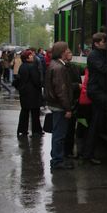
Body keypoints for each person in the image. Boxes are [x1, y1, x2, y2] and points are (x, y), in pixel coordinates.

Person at [45, 42, 75, 170]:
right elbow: (61, 91)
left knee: (58, 133)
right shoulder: (59, 68)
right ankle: (57, 160)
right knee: (59, 135)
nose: (69, 51)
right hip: (60, 106)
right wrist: (68, 108)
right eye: (67, 49)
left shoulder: (54, 65)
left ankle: (57, 157)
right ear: (62, 52)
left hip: (55, 104)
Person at [82, 32, 107, 165]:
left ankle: (88, 152)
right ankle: (88, 153)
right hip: (96, 91)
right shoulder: (94, 55)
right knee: (95, 124)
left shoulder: (99, 53)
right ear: (97, 43)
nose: (106, 44)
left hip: (98, 90)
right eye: (104, 42)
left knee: (95, 123)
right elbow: (104, 68)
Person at [16, 50, 43, 137]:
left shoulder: (22, 66)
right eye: (30, 55)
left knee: (24, 111)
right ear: (27, 58)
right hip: (33, 93)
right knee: (35, 112)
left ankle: (22, 130)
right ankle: (36, 131)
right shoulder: (32, 67)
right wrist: (40, 86)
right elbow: (36, 80)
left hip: (24, 93)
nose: (32, 56)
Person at [64, 48, 83, 158]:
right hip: (68, 102)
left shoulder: (73, 66)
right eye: (69, 53)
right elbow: (64, 86)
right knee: (67, 129)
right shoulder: (62, 68)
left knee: (71, 129)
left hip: (74, 100)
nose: (71, 54)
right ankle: (66, 153)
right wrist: (77, 86)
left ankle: (69, 151)